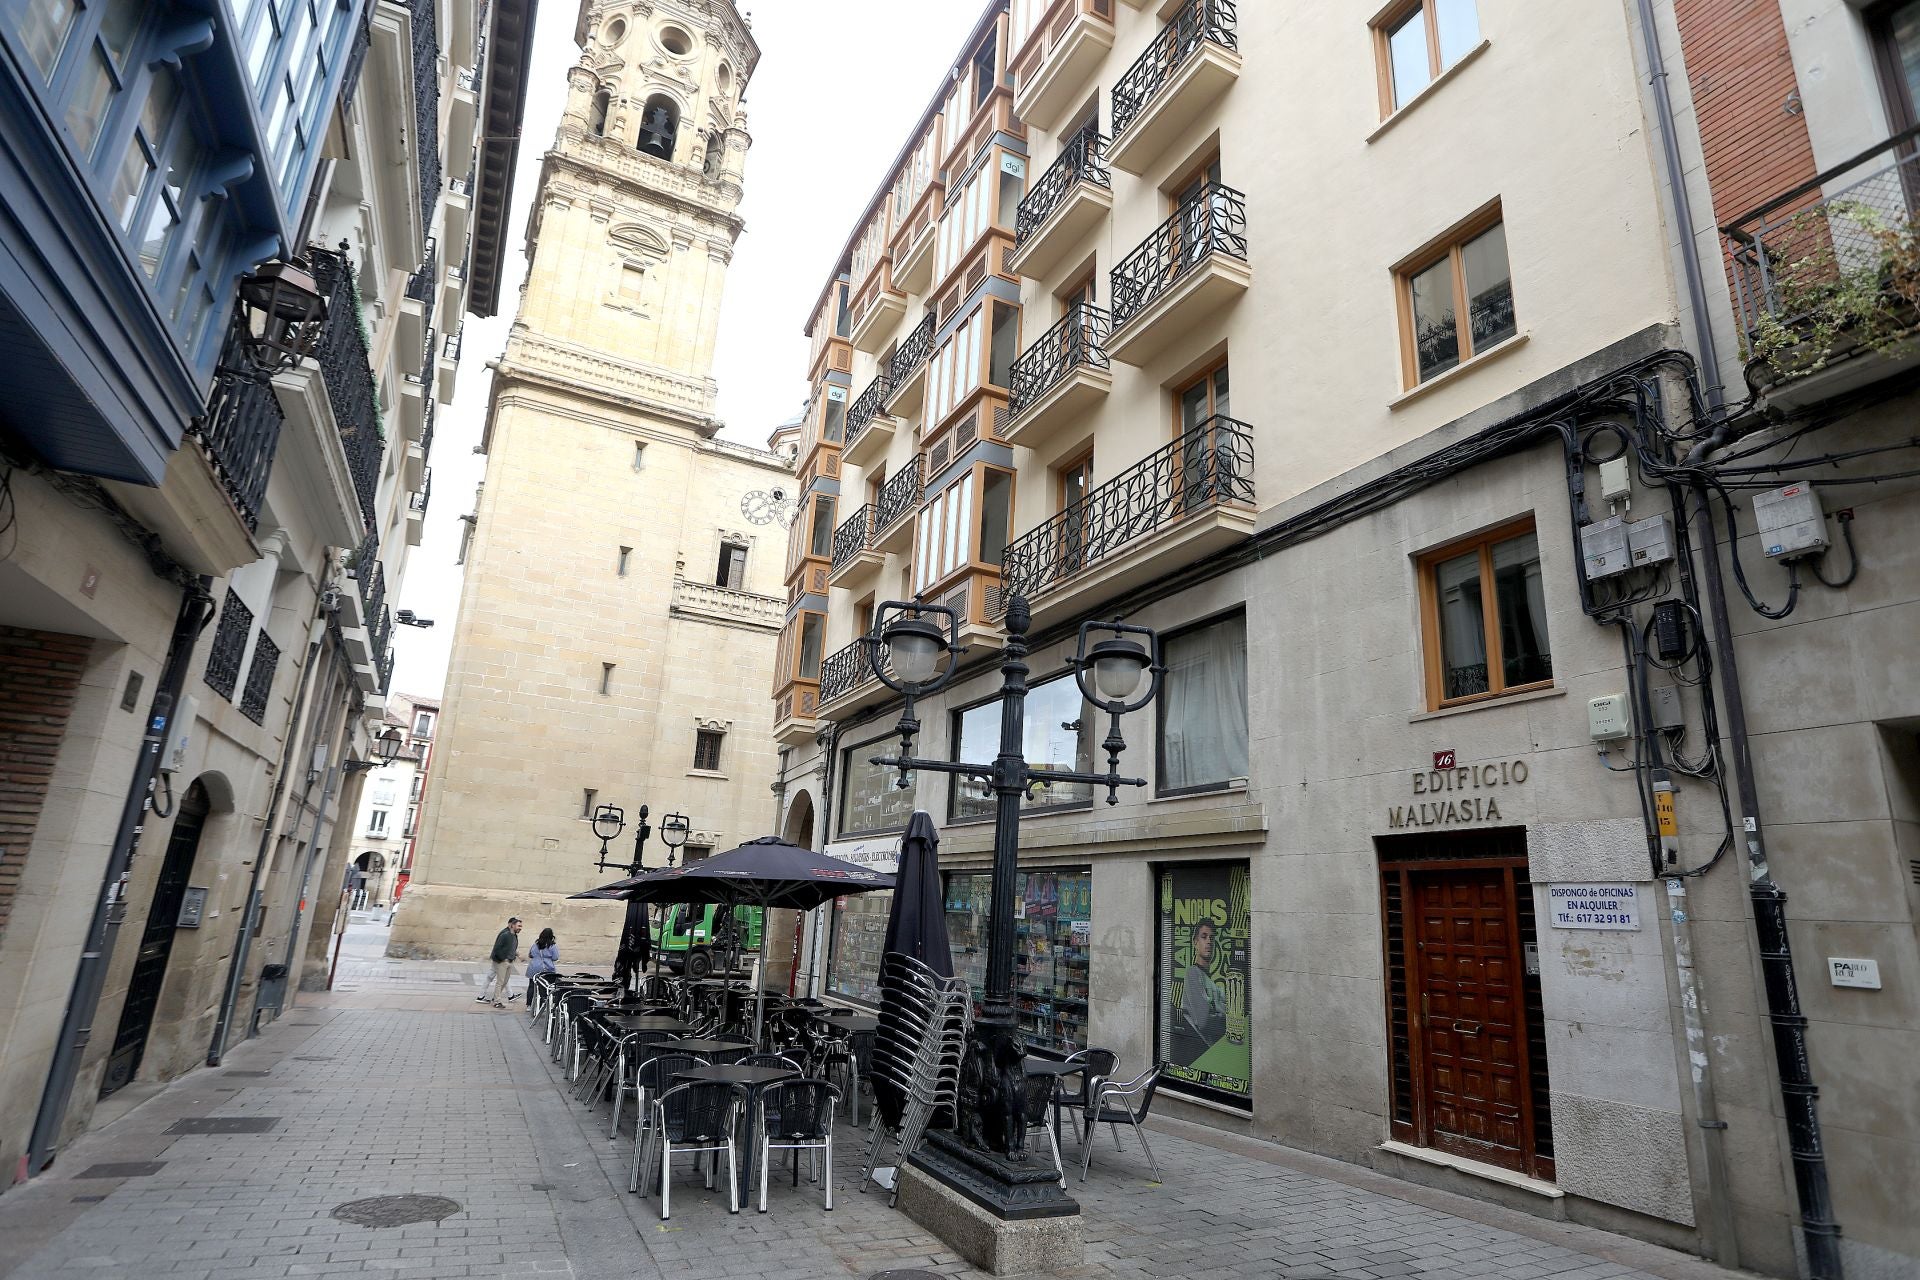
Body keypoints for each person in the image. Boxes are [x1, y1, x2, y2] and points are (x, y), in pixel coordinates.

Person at [1181, 920, 1228, 1048]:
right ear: (1195, 942)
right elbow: (1204, 1022)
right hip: (1198, 1049)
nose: (1209, 941)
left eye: (1212, 938)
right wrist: (1223, 1016)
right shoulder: (1193, 973)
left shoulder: (1213, 983)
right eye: (1204, 937)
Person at [476, 917, 522, 1008]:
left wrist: (515, 955)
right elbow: (497, 948)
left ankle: (495, 997)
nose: (520, 928)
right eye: (519, 926)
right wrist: (503, 959)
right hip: (502, 961)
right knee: (499, 982)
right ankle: (496, 1001)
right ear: (512, 925)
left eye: (521, 926)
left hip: (509, 961)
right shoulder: (505, 934)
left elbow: (511, 948)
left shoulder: (514, 936)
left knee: (504, 982)